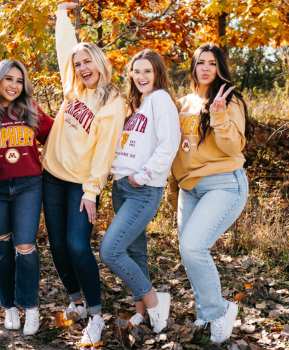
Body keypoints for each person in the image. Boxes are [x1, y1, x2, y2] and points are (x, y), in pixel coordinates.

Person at [41, 2, 126, 346]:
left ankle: (95, 315)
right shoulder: (73, 86)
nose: (81, 67)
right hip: (51, 175)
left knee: (78, 245)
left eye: (87, 61)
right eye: (77, 64)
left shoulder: (112, 100)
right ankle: (75, 301)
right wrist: (62, 15)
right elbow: (66, 47)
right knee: (58, 247)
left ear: (100, 62)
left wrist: (92, 191)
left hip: (80, 184)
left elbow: (105, 151)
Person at [168, 43, 254, 343]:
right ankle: (206, 311)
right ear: (193, 67)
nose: (206, 68)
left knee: (194, 247)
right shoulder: (182, 103)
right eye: (201, 62)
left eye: (213, 63)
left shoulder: (229, 100)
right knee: (187, 250)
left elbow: (234, 148)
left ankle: (219, 311)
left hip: (224, 183)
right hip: (190, 188)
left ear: (220, 68)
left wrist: (218, 116)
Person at [99, 49, 180, 333]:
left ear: (157, 73)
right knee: (135, 251)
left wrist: (141, 177)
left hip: (141, 189)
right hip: (122, 187)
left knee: (110, 251)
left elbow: (168, 146)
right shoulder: (139, 104)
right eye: (136, 71)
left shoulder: (161, 100)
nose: (141, 76)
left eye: (147, 70)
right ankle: (141, 312)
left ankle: (155, 301)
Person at [0, 59, 54, 336]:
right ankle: (9, 306)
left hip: (28, 187)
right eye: (8, 79)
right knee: (0, 248)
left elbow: (58, 137)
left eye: (19, 80)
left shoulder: (32, 110)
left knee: (25, 247)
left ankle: (31, 308)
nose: (13, 85)